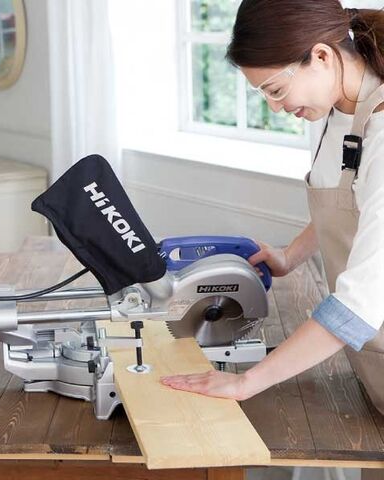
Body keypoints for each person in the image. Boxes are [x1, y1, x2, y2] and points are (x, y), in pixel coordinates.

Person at [160, 2, 384, 476]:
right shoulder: (336, 108)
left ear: (321, 56)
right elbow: (354, 204)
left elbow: (360, 304)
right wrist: (290, 255)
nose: (276, 107)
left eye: (277, 90)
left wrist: (247, 383)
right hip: (371, 357)